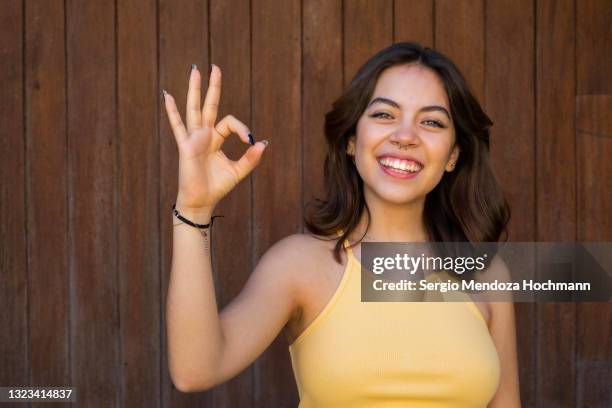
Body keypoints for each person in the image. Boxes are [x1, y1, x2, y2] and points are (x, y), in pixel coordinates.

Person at [163, 42, 521, 407]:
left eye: (431, 122)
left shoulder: (488, 275)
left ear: (453, 156)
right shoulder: (299, 265)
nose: (405, 136)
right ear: (351, 140)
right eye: (384, 115)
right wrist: (194, 209)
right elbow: (195, 370)